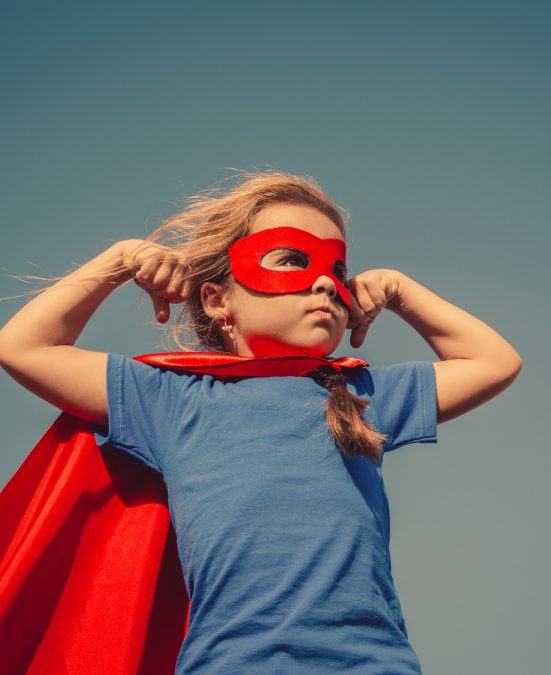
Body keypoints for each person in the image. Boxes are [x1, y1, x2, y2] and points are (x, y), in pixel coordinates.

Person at [0, 170, 522, 673]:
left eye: (338, 271)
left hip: (374, 664)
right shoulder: (171, 398)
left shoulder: (360, 394)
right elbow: (23, 348)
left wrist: (400, 289)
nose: (325, 282)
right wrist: (119, 260)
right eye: (292, 259)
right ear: (217, 299)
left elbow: (494, 363)